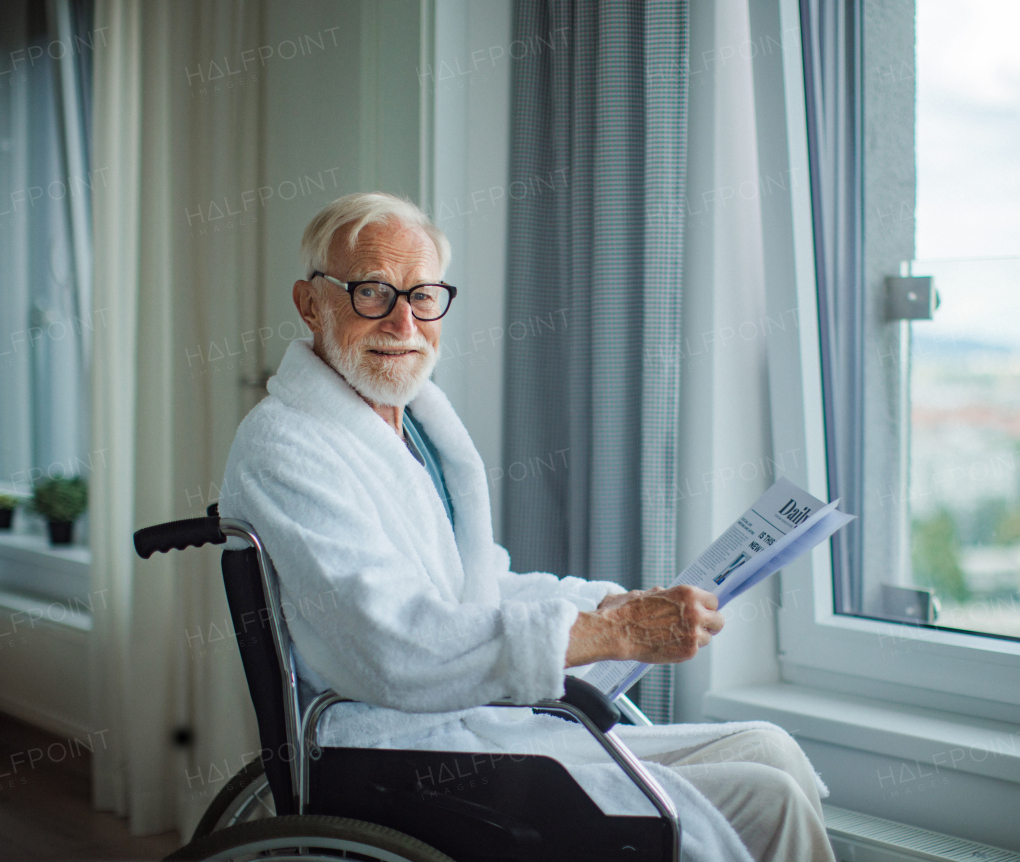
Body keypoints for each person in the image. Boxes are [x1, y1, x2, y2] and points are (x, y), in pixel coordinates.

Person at [220, 192, 837, 862]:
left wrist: (604, 607)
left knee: (768, 750)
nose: (403, 320)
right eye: (372, 292)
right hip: (391, 751)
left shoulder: (416, 426)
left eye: (423, 296)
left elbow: (479, 589)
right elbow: (394, 644)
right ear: (310, 304)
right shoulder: (285, 446)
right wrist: (615, 635)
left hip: (475, 726)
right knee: (766, 800)